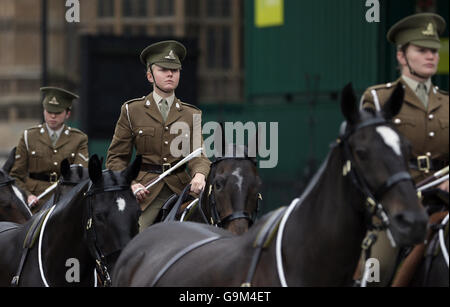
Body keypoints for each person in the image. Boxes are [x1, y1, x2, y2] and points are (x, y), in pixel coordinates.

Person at [359, 13, 449, 286]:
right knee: (376, 271)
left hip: (444, 202)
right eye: (421, 50)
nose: (431, 56)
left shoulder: (448, 103)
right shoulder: (378, 98)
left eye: (433, 51)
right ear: (401, 56)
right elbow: (368, 157)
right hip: (397, 209)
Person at [106, 40, 210, 232]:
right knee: (133, 239)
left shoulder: (191, 114)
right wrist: (132, 184)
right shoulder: (132, 110)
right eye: (163, 69)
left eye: (175, 70)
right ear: (150, 76)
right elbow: (116, 159)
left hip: (181, 190)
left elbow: (198, 154)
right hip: (145, 192)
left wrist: (200, 175)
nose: (170, 74)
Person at [10, 87, 89, 213]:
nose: (52, 116)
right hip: (34, 204)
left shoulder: (79, 139)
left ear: (67, 114)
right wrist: (27, 195)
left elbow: (81, 174)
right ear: (43, 111)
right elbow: (15, 176)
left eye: (57, 112)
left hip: (64, 202)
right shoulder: (29, 136)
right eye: (49, 111)